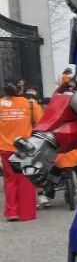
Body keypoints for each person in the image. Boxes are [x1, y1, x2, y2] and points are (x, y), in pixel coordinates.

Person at [1, 80, 40, 222]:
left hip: (5, 148)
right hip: (25, 148)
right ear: (20, 88)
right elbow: (41, 124)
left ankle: (12, 212)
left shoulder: (0, 104)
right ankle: (26, 213)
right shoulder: (30, 104)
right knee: (26, 180)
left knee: (10, 180)